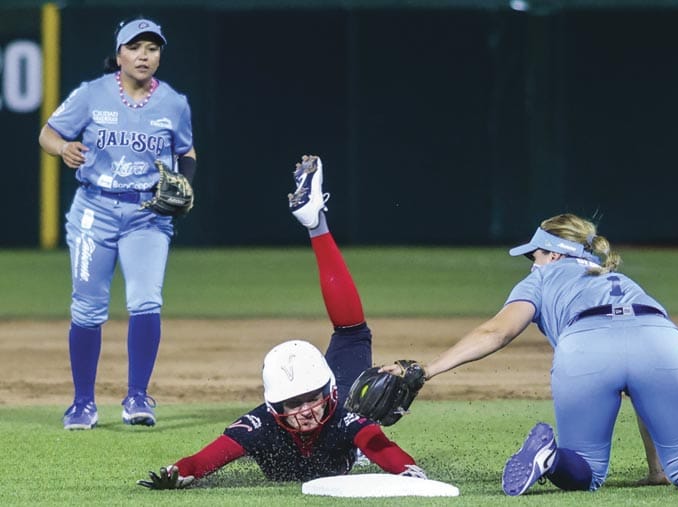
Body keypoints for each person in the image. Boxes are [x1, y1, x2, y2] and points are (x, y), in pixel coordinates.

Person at [382, 213, 678, 495]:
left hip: (586, 345)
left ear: (554, 254)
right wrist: (658, 470)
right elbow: (641, 385)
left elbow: (497, 331)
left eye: (535, 254)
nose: (531, 262)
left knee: (585, 472)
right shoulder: (617, 278)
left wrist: (428, 369)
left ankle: (550, 458)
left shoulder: (540, 279)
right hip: (660, 336)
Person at [137, 155, 425, 489]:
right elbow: (204, 460)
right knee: (351, 332)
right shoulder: (260, 425)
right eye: (294, 402)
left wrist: (408, 471)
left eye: (311, 397)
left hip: (343, 396)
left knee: (353, 332)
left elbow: (382, 447)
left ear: (329, 390)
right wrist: (178, 470)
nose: (305, 410)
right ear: (275, 407)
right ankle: (316, 222)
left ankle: (317, 224)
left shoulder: (345, 415)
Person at [38, 18, 197, 430]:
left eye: (153, 48)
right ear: (120, 54)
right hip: (95, 210)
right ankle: (83, 404)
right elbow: (47, 133)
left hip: (148, 215)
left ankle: (137, 398)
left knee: (146, 300)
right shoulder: (92, 94)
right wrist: (63, 148)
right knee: (87, 308)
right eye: (136, 47)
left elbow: (187, 150)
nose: (145, 56)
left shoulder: (174, 103)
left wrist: (185, 182)